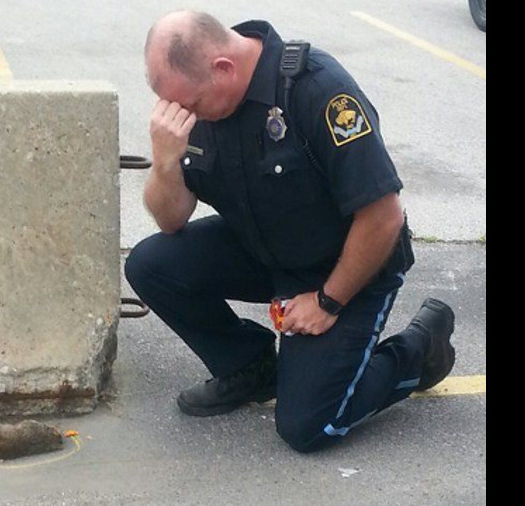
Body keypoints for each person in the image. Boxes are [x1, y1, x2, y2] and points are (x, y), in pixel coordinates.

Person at [125, 10, 456, 453]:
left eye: (192, 105)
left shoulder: (316, 89)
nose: (184, 116)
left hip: (348, 263)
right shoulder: (195, 101)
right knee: (151, 265)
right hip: (267, 247)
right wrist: (165, 160)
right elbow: (171, 220)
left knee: (310, 425)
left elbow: (383, 217)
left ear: (224, 68)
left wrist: (328, 300)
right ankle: (249, 366)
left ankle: (419, 349)